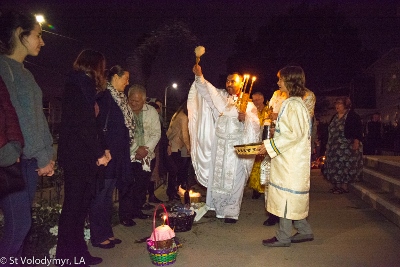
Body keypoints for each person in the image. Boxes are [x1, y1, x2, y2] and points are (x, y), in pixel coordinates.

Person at [0, 10, 55, 258]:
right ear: (19, 34)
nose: (42, 41)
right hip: (13, 162)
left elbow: (38, 118)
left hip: (30, 162)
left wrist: (47, 155)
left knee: (21, 226)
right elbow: (20, 120)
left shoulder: (25, 72)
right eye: (38, 35)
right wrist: (42, 156)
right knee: (19, 226)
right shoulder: (4, 69)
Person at [56, 50, 111, 266]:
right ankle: (66, 257)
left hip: (82, 157)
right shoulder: (78, 85)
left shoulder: (84, 87)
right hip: (77, 158)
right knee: (73, 209)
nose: (103, 71)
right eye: (102, 67)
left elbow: (93, 124)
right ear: (94, 66)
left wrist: (104, 148)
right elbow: (84, 126)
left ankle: (78, 253)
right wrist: (99, 153)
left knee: (80, 209)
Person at [188, 64, 260, 223]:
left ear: (241, 83)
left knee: (235, 179)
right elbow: (207, 91)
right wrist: (200, 76)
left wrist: (245, 119)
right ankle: (217, 208)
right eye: (227, 81)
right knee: (218, 178)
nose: (229, 84)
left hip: (236, 148)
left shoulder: (248, 105)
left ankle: (231, 213)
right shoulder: (221, 99)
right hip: (219, 146)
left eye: (233, 81)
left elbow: (255, 126)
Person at [259, 65, 314, 247]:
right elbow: (293, 130)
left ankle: (283, 237)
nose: (278, 82)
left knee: (285, 197)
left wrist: (269, 145)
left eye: (281, 79)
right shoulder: (295, 103)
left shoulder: (293, 104)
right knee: (290, 196)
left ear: (289, 81)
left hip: (290, 162)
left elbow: (294, 134)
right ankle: (304, 230)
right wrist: (277, 130)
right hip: (291, 159)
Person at [89, 65, 133, 248]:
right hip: (106, 155)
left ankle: (107, 232)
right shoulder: (104, 97)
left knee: (107, 196)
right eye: (126, 78)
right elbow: (96, 127)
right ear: (115, 76)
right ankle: (98, 236)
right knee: (100, 196)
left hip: (117, 155)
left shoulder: (120, 98)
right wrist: (102, 150)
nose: (128, 82)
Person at [119, 85, 160, 225]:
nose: (134, 103)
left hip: (146, 156)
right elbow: (123, 134)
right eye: (132, 100)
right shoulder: (123, 111)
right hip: (129, 155)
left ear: (144, 100)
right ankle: (125, 215)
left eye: (137, 101)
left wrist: (146, 149)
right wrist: (137, 149)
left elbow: (156, 133)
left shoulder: (152, 112)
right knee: (127, 186)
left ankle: (137, 209)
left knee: (141, 186)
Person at [324, 96, 363, 194]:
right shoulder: (334, 116)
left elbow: (358, 129)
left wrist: (356, 141)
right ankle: (336, 185)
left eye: (339, 103)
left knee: (344, 166)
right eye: (336, 103)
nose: (337, 106)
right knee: (334, 166)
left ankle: (344, 186)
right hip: (334, 146)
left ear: (346, 105)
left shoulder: (352, 116)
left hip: (346, 146)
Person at [166, 100, 191, 201]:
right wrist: (189, 148)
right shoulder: (184, 117)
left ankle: (172, 191)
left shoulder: (177, 114)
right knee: (175, 171)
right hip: (176, 147)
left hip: (172, 145)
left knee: (173, 172)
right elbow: (184, 135)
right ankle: (172, 192)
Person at [248, 91, 270, 199]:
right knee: (254, 166)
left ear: (262, 99)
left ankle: (265, 188)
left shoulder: (268, 110)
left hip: (266, 140)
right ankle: (255, 189)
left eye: (257, 100)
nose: (255, 102)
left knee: (265, 165)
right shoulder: (252, 111)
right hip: (255, 140)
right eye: (254, 100)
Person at [147, 101, 164, 203]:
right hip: (149, 150)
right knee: (148, 175)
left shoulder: (157, 120)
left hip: (155, 150)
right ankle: (149, 196)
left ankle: (151, 195)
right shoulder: (149, 121)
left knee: (152, 174)